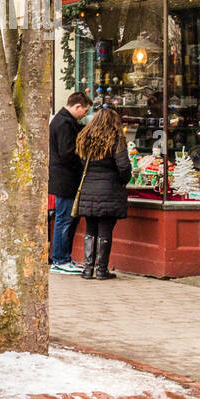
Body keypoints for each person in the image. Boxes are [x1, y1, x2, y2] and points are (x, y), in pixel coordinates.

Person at [74, 106, 131, 280]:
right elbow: (124, 167)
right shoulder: (115, 139)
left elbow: (80, 164)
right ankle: (101, 269)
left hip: (88, 190)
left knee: (90, 228)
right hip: (109, 191)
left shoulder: (84, 138)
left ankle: (87, 269)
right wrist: (122, 181)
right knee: (105, 230)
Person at [49, 92, 90, 273]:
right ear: (77, 107)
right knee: (65, 219)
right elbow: (67, 153)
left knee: (66, 219)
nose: (84, 115)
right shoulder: (64, 123)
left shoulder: (63, 120)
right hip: (65, 179)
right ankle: (60, 259)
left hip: (64, 179)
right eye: (84, 111)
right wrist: (82, 159)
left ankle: (63, 258)